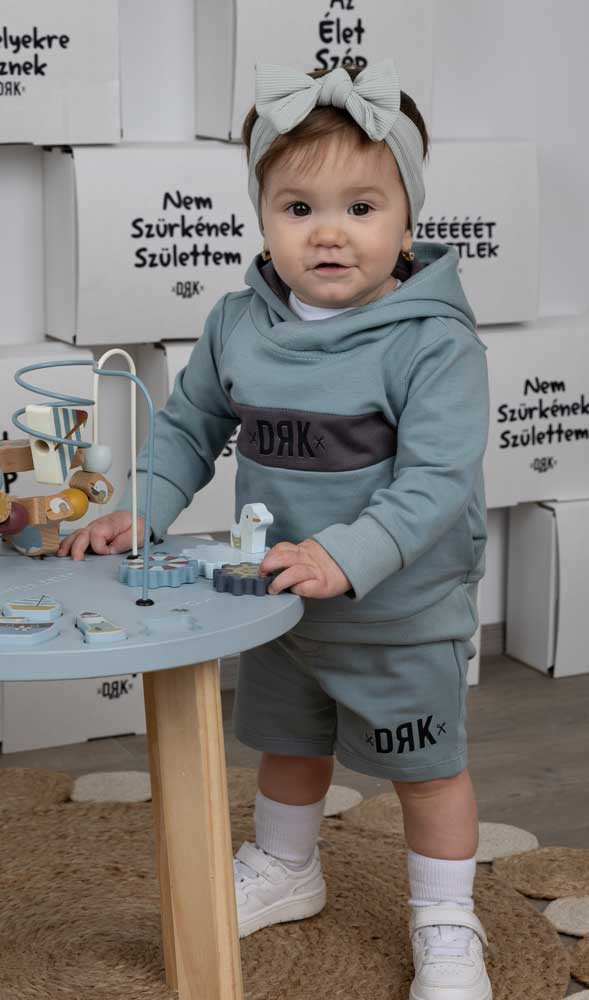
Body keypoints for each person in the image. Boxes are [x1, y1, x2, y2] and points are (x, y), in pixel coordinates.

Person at [57, 57, 492, 1000]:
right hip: (278, 604)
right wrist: (145, 506)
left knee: (427, 770)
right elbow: (189, 428)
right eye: (298, 209)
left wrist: (345, 554)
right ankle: (287, 865)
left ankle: (445, 917)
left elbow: (435, 482)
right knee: (287, 746)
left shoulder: (432, 342)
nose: (328, 232)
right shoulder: (237, 325)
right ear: (262, 218)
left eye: (360, 208)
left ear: (406, 219)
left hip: (398, 612)